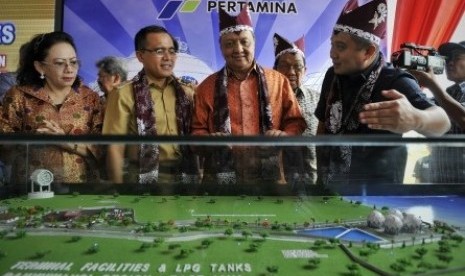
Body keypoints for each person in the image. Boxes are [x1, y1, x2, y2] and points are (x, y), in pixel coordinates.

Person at [314, 0, 450, 186]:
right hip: (329, 185)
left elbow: (443, 122)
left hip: (377, 193)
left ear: (369, 51)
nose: (332, 53)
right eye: (332, 44)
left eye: (341, 47)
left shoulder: (395, 81)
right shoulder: (332, 75)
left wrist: (416, 118)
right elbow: (322, 126)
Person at [191, 7, 307, 185]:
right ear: (220, 47)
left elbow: (296, 122)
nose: (238, 49)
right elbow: (196, 132)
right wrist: (209, 141)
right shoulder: (206, 87)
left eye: (244, 42)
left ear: (254, 43)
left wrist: (283, 135)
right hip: (219, 182)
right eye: (229, 43)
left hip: (271, 180)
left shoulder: (278, 81)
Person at [0, 31, 104, 185]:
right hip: (30, 188)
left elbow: (102, 150)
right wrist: (31, 139)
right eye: (60, 63)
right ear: (40, 67)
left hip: (80, 190)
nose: (69, 69)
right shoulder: (18, 96)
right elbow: (4, 149)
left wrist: (65, 141)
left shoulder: (90, 98)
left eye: (73, 62)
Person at [102, 25, 198, 185]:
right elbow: (114, 148)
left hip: (186, 178)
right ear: (140, 56)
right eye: (160, 51)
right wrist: (118, 192)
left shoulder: (186, 93)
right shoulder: (123, 93)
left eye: (172, 51)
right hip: (142, 180)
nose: (168, 57)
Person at [409, 41, 465, 183]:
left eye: (457, 57)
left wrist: (432, 84)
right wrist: (409, 80)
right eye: (447, 58)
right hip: (440, 182)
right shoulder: (450, 94)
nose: (449, 63)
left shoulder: (444, 96)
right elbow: (419, 109)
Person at [273, 33, 320, 185]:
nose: (291, 72)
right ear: (275, 70)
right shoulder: (264, 102)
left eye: (297, 66)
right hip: (276, 185)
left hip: (312, 182)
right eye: (285, 66)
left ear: (305, 70)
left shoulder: (318, 99)